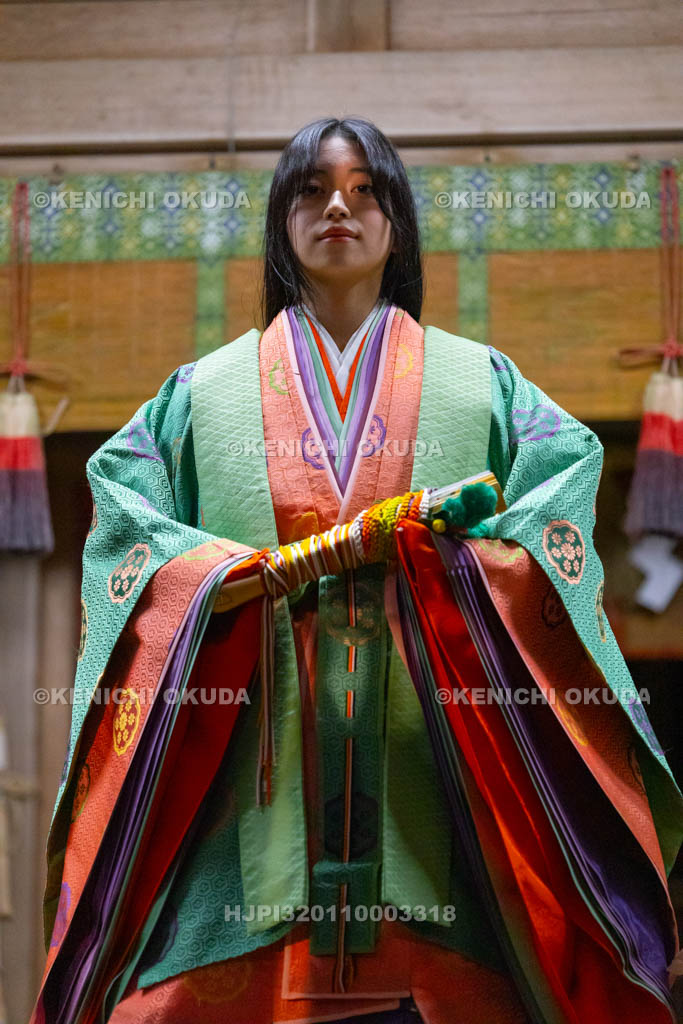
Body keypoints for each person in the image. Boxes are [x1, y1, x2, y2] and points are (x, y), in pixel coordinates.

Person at [32, 117, 683, 1024]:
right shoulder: (200, 397)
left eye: (366, 188)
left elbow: (553, 514)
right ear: (280, 221)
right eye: (310, 188)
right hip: (245, 813)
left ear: (398, 223)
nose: (339, 205)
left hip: (441, 799)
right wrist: (222, 580)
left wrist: (455, 577)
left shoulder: (481, 384)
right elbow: (125, 530)